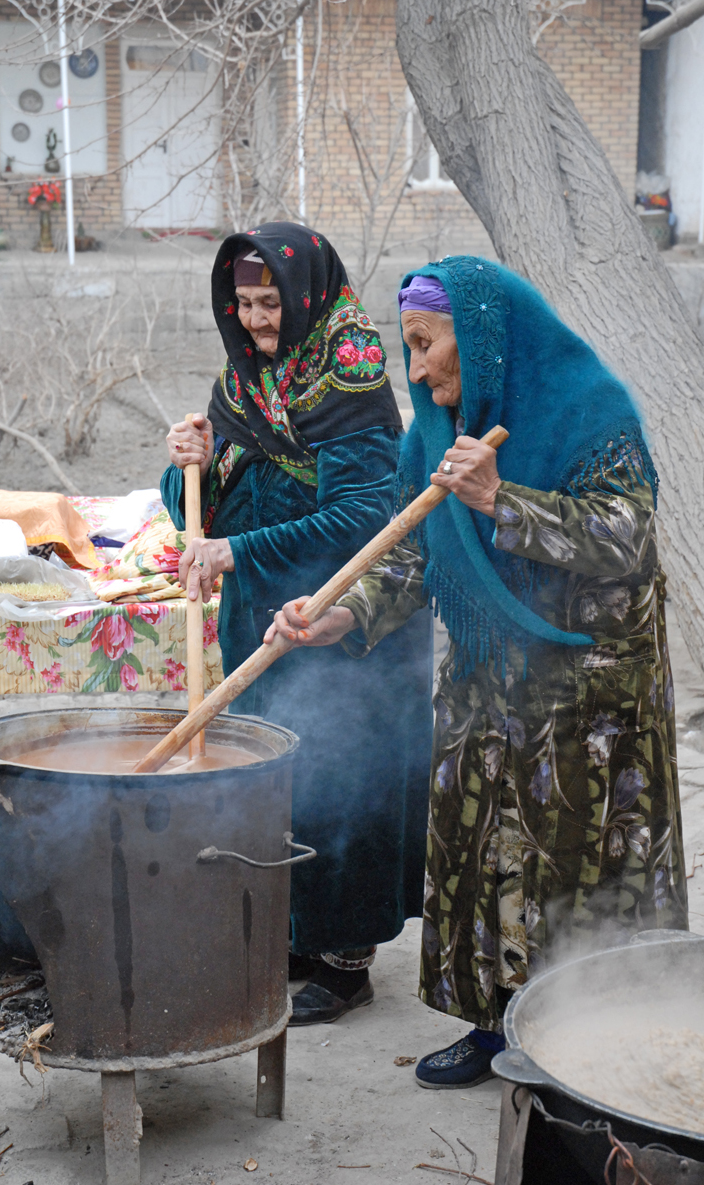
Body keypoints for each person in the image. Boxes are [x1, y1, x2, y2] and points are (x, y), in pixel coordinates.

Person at [265, 256, 688, 1081]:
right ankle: (493, 1028)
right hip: (484, 683)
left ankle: (590, 1042)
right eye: (408, 346)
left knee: (577, 861)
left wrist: (502, 500)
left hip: (591, 696)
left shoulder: (590, 411)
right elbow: (412, 552)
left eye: (426, 343)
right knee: (483, 848)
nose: (416, 369)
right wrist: (342, 613)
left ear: (485, 341)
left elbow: (629, 541)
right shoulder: (432, 430)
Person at [161, 222, 433, 1025]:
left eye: (269, 302)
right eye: (242, 303)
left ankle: (346, 959)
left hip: (341, 625)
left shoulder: (346, 371)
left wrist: (236, 550)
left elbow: (364, 519)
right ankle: (296, 933)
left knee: (342, 779)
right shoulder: (244, 381)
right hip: (263, 620)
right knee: (279, 779)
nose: (254, 320)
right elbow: (201, 516)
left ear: (305, 293)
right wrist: (186, 466)